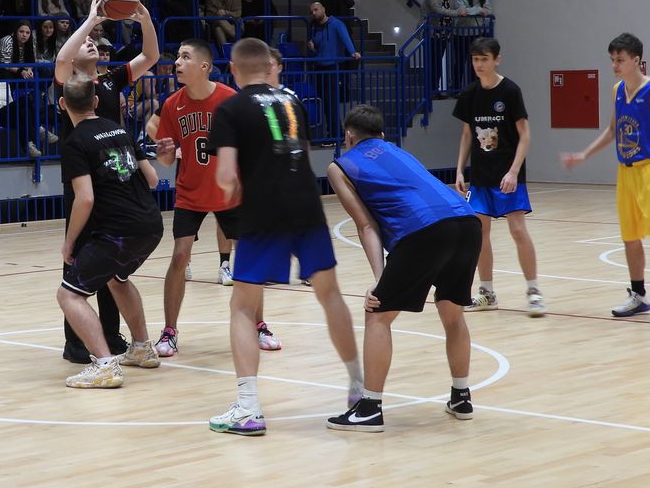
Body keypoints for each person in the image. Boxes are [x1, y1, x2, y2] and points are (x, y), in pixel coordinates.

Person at [206, 37, 362, 436]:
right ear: (268, 66)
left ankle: (248, 407)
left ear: (234, 67)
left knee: (242, 307)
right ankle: (358, 388)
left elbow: (224, 178)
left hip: (264, 213)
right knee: (330, 296)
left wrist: (233, 190)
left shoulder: (230, 108)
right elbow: (302, 153)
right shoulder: (292, 101)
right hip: (307, 207)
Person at [325, 104, 480, 432]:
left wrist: (379, 282)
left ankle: (369, 408)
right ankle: (461, 396)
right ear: (382, 135)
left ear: (348, 136)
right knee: (452, 313)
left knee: (377, 314)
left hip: (424, 230)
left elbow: (366, 226)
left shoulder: (340, 166)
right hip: (466, 222)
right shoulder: (397, 150)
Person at [147, 38, 283, 357]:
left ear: (204, 67)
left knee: (249, 259)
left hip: (231, 193)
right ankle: (169, 331)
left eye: (184, 57)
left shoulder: (230, 100)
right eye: (177, 57)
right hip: (190, 193)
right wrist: (163, 153)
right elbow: (167, 160)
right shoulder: (172, 105)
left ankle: (259, 324)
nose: (177, 63)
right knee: (180, 256)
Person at [52, 0, 160, 362]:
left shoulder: (112, 80)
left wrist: (143, 20)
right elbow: (62, 58)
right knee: (80, 261)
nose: (92, 44)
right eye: (86, 43)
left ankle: (113, 339)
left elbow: (151, 57)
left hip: (116, 177)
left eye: (95, 42)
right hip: (84, 176)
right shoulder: (68, 85)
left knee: (112, 269)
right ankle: (78, 344)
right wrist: (92, 19)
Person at [561, 32, 650, 326]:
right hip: (626, 171)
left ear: (636, 61)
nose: (615, 65)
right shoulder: (617, 89)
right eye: (612, 60)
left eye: (620, 60)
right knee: (630, 238)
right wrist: (584, 154)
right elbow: (611, 130)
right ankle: (639, 295)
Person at [55, 74, 162, 388]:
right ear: (97, 102)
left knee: (69, 294)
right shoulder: (119, 129)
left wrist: (69, 242)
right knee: (117, 279)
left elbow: (84, 198)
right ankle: (142, 348)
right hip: (151, 224)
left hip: (118, 231)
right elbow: (153, 180)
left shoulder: (74, 142)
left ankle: (104, 364)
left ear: (62, 105)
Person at [452, 37, 543, 315]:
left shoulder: (510, 91)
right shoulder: (469, 94)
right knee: (480, 233)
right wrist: (459, 169)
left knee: (518, 231)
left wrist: (514, 171)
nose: (479, 65)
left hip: (508, 174)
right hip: (481, 175)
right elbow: (468, 134)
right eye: (475, 59)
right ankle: (487, 292)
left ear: (497, 60)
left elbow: (525, 135)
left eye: (484, 59)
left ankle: (534, 291)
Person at [308, 0, 360, 140]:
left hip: (332, 67)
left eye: (316, 9)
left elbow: (345, 38)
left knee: (331, 102)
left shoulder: (336, 24)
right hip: (319, 67)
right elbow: (316, 47)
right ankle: (333, 132)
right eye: (312, 11)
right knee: (324, 101)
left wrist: (352, 52)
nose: (314, 13)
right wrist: (312, 47)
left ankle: (334, 134)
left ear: (323, 9)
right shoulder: (315, 28)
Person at [423, 0, 465, 94]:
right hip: (431, 33)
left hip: (445, 33)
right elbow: (439, 10)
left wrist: (464, 10)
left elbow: (457, 6)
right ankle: (433, 90)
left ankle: (436, 90)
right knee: (434, 62)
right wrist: (457, 13)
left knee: (437, 61)